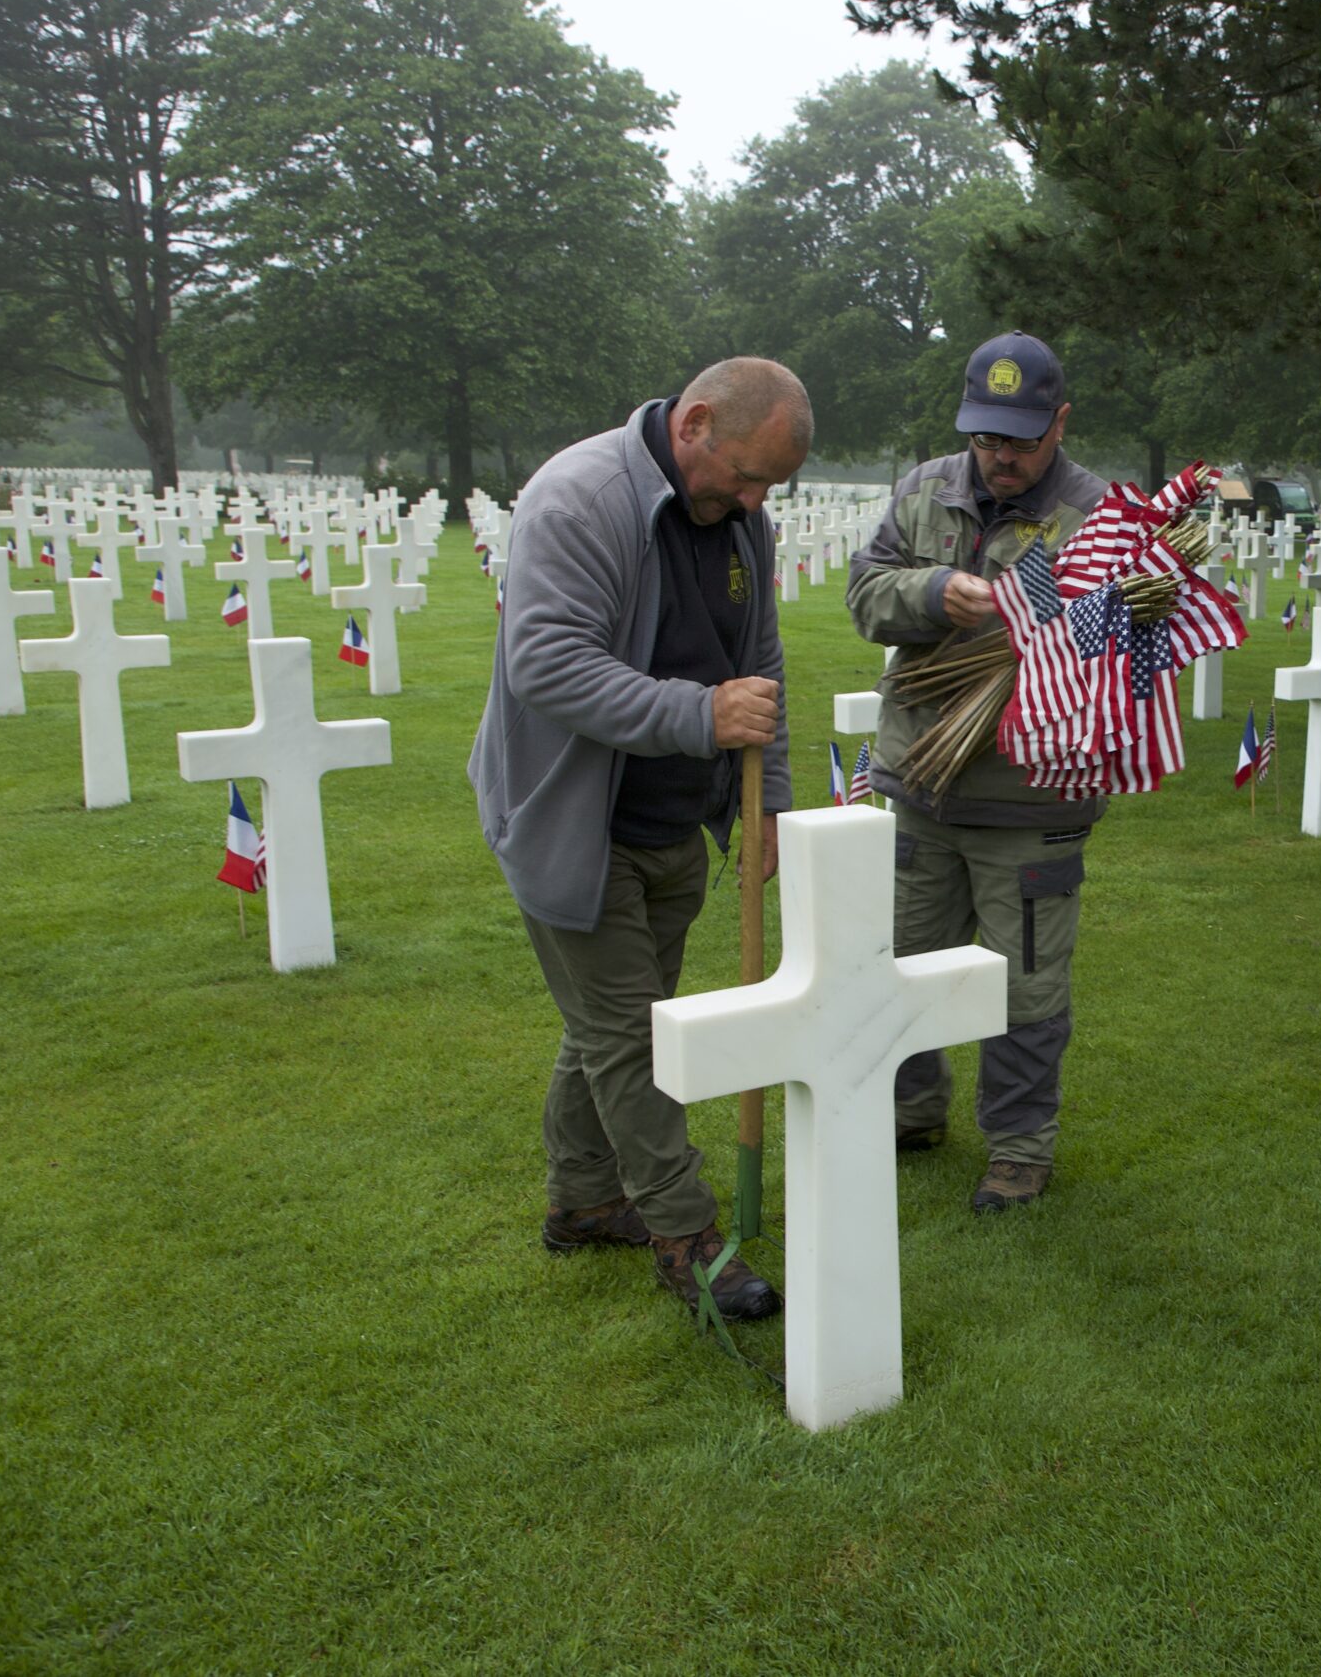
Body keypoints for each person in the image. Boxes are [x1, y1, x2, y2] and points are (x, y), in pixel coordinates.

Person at [469, 358, 809, 1323]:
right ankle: (687, 1233)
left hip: (673, 820)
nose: (753, 501)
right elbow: (549, 663)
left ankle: (582, 1199)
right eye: (746, 476)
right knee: (630, 1038)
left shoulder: (741, 518)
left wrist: (767, 799)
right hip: (572, 817)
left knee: (616, 1020)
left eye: (768, 488)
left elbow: (762, 663)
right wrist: (701, 715)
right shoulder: (579, 499)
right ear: (694, 422)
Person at [845, 330, 1109, 1214]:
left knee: (1025, 982)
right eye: (985, 436)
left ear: (1060, 421)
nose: (999, 457)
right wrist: (928, 595)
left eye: (1021, 439)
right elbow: (863, 593)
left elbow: (1118, 661)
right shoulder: (925, 489)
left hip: (1032, 796)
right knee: (904, 959)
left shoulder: (1100, 519)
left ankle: (1019, 1146)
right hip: (920, 782)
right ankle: (910, 1108)